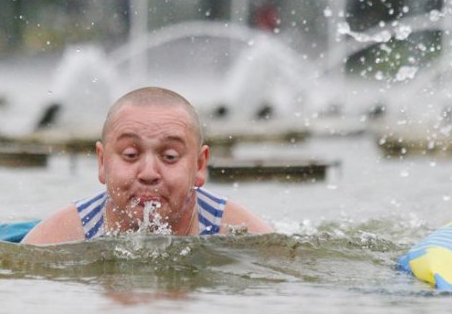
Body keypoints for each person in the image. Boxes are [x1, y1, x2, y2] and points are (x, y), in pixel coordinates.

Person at [22, 87, 273, 245]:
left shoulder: (238, 230)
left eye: (170, 156)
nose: (149, 174)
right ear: (102, 162)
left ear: (199, 166)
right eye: (130, 155)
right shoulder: (58, 236)